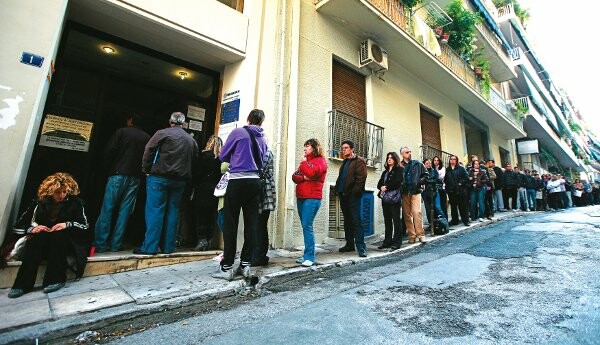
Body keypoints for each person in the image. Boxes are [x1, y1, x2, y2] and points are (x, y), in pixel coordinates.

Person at [8, 173, 89, 298]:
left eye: (64, 192)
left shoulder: (76, 203)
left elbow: (85, 226)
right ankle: (22, 285)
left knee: (59, 236)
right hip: (42, 243)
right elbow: (17, 227)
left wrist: (68, 224)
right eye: (57, 192)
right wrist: (32, 229)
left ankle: (56, 279)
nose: (61, 195)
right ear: (50, 191)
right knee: (38, 238)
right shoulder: (38, 203)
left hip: (63, 243)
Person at [211, 109, 268, 280]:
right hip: (255, 182)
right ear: (261, 122)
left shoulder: (238, 132)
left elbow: (223, 156)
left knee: (230, 223)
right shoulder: (263, 138)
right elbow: (263, 160)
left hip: (237, 181)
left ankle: (227, 267)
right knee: (251, 224)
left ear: (248, 119)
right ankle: (245, 265)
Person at [135, 112, 199, 255]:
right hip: (180, 181)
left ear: (170, 121)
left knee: (155, 211)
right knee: (173, 212)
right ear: (183, 123)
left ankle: (149, 247)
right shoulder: (190, 139)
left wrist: (146, 169)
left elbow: (149, 149)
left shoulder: (162, 133)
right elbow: (195, 158)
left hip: (159, 177)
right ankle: (168, 247)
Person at [94, 114, 150, 253]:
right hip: (135, 177)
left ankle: (101, 243)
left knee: (107, 208)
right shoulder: (146, 138)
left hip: (117, 174)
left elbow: (109, 151)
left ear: (130, 120)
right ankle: (116, 244)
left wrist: (106, 168)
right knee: (125, 211)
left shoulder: (121, 132)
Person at [292, 139, 327, 266]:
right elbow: (295, 176)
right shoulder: (306, 162)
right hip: (301, 197)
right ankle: (306, 255)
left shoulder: (320, 161)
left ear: (315, 148)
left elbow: (313, 172)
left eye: (307, 146)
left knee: (307, 225)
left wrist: (304, 164)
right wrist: (305, 177)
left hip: (312, 198)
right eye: (304, 146)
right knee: (305, 226)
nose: (305, 149)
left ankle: (310, 257)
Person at [335, 140, 368, 257]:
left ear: (352, 149)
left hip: (353, 196)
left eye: (346, 148)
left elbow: (361, 179)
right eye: (343, 148)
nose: (344, 150)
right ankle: (349, 244)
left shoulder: (359, 161)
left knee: (356, 221)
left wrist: (354, 193)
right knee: (347, 221)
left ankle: (361, 247)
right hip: (343, 195)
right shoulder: (345, 162)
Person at [191, 135, 223, 251]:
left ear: (209, 143)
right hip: (215, 190)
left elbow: (196, 174)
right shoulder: (221, 159)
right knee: (211, 216)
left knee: (201, 215)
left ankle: (201, 240)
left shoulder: (203, 156)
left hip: (202, 189)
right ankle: (209, 240)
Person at [254, 147, 277, 266]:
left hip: (264, 193)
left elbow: (259, 170)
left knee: (260, 225)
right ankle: (260, 255)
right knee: (260, 225)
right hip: (265, 192)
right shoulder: (262, 150)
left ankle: (259, 256)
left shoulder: (265, 152)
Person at [400, 146, 428, 244]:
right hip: (405, 192)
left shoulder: (418, 164)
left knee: (416, 212)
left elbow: (426, 175)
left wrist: (419, 182)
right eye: (407, 152)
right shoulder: (400, 165)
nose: (409, 153)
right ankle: (412, 235)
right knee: (407, 215)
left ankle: (421, 235)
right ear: (402, 154)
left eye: (410, 152)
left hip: (416, 191)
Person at [377, 152, 404, 250]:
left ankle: (397, 242)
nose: (389, 159)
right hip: (385, 199)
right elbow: (379, 183)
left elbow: (397, 183)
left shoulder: (399, 170)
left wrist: (386, 187)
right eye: (388, 158)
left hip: (394, 198)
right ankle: (387, 241)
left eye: (391, 158)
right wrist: (381, 186)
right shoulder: (385, 172)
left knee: (396, 220)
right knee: (387, 220)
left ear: (395, 159)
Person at [445, 155, 470, 226]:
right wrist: (447, 189)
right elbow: (446, 180)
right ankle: (455, 221)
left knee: (463, 207)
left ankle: (465, 221)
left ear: (456, 160)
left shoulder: (461, 168)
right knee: (453, 207)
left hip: (460, 191)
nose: (452, 160)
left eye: (454, 159)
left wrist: (460, 183)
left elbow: (466, 178)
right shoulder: (447, 169)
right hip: (451, 191)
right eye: (451, 159)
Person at [422, 158, 446, 230]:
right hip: (425, 193)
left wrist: (427, 181)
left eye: (429, 163)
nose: (428, 164)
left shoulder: (434, 171)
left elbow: (436, 180)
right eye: (427, 163)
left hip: (434, 192)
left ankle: (444, 222)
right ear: (424, 165)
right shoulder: (422, 172)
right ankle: (431, 224)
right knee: (428, 209)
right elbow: (421, 181)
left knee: (437, 208)